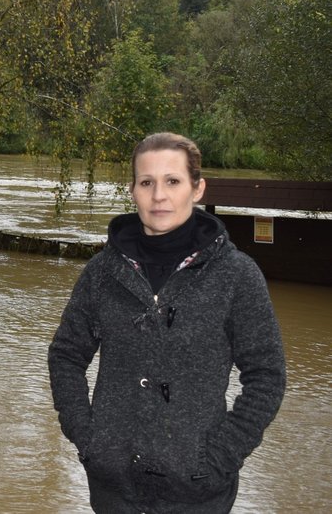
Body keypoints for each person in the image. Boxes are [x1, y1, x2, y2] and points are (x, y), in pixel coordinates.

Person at [47, 132, 286, 513]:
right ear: (133, 191)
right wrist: (89, 439)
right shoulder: (101, 274)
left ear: (197, 188)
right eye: (147, 182)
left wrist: (220, 457)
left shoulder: (236, 276)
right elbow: (66, 355)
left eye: (172, 181)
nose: (159, 195)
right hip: (114, 490)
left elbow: (267, 375)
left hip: (199, 492)